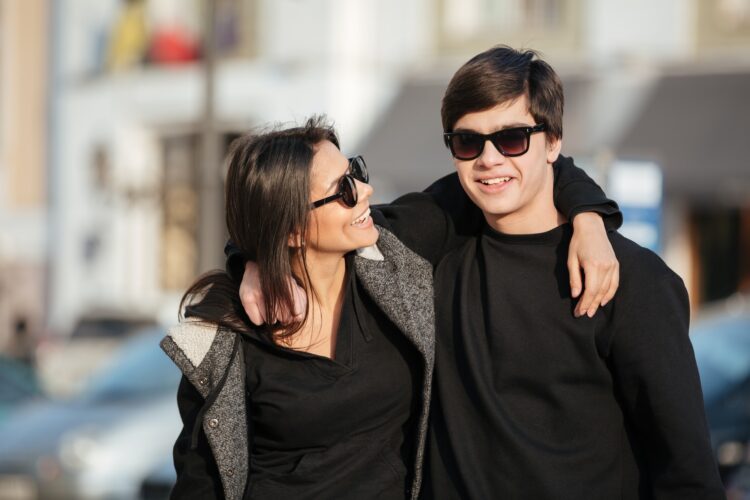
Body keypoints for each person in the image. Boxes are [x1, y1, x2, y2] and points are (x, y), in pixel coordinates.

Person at [164, 114, 621, 498]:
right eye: (342, 189)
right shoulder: (224, 341)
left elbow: (518, 168)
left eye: (356, 172)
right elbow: (198, 483)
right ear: (292, 231)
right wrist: (250, 256)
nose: (364, 191)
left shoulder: (391, 254)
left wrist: (589, 218)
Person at [420, 46, 724, 499]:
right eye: (467, 142)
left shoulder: (633, 279)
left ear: (554, 142)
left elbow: (686, 473)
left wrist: (587, 213)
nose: (489, 159)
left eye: (512, 138)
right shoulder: (433, 261)